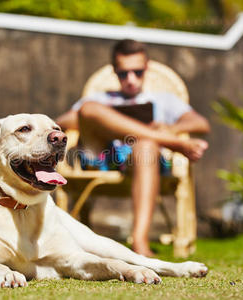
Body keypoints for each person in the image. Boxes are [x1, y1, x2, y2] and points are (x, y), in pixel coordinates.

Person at [56, 39, 210, 257]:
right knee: (89, 109)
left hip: (146, 161)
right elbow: (62, 122)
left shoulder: (164, 100)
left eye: (137, 72)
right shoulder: (100, 99)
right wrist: (108, 119)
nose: (130, 80)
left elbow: (200, 124)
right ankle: (170, 144)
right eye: (123, 73)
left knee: (146, 145)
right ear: (114, 72)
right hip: (102, 156)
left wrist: (170, 128)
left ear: (146, 68)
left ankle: (139, 242)